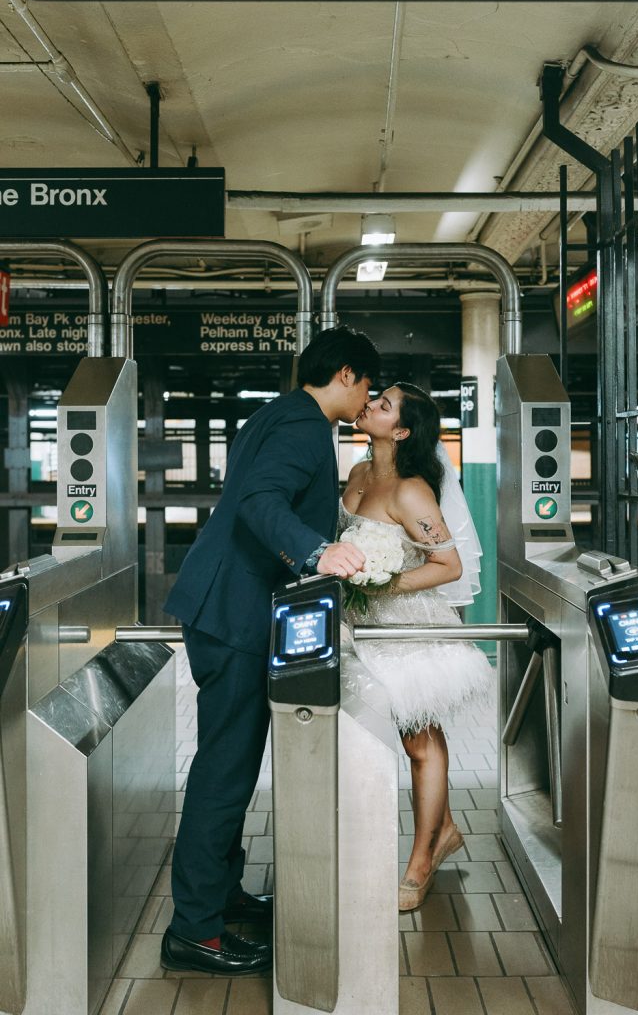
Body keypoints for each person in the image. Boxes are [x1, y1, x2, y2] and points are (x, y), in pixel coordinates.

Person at [161, 325, 381, 974]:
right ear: (344, 373)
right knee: (224, 769)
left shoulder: (274, 412)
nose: (366, 399)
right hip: (235, 610)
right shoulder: (303, 425)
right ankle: (194, 931)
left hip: (225, 603)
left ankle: (219, 894)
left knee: (230, 761)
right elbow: (259, 500)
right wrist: (318, 551)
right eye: (366, 386)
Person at [340, 382, 491, 912]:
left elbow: (448, 566)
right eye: (374, 399)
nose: (371, 405)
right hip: (359, 627)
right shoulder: (358, 475)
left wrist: (385, 585)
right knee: (395, 737)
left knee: (419, 741)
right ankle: (444, 826)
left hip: (405, 631)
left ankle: (422, 859)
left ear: (400, 431)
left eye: (383, 406)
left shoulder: (411, 491)